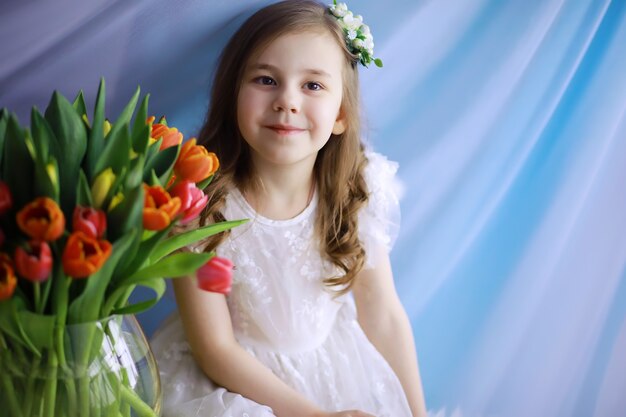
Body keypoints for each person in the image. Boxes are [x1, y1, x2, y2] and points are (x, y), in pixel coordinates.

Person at [150, 1, 428, 416]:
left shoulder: (358, 188)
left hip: (334, 369)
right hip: (235, 385)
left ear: (341, 116)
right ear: (233, 97)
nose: (288, 102)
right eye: (266, 79)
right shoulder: (200, 204)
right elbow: (216, 349)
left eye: (313, 86)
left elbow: (383, 314)